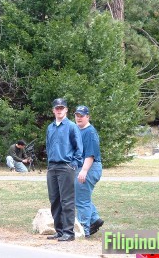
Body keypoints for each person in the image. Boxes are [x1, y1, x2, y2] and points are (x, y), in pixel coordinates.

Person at [46, 98, 83, 242]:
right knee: (54, 199)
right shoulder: (50, 127)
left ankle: (69, 232)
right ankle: (59, 231)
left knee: (67, 200)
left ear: (66, 110)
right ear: (53, 110)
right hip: (52, 167)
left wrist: (73, 164)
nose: (59, 110)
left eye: (62, 108)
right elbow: (49, 146)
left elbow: (79, 149)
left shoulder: (72, 126)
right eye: (57, 108)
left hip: (66, 166)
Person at [74, 105, 104, 238]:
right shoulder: (78, 130)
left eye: (82, 115)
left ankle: (83, 230)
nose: (79, 118)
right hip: (84, 167)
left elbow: (90, 155)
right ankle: (95, 219)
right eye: (77, 115)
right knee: (80, 198)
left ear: (88, 117)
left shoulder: (90, 132)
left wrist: (84, 171)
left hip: (90, 167)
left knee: (82, 201)